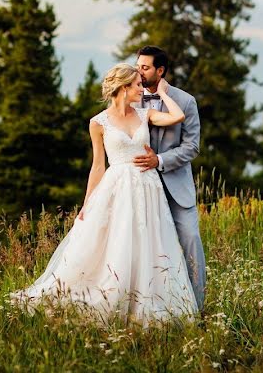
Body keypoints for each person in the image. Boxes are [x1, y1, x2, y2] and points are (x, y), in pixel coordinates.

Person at [10, 63, 198, 323]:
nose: (141, 89)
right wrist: (88, 203)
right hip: (118, 186)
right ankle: (113, 295)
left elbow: (177, 116)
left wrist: (164, 92)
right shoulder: (98, 123)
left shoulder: (146, 114)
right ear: (122, 88)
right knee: (116, 241)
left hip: (147, 188)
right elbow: (98, 165)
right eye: (136, 85)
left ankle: (145, 301)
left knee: (150, 242)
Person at [132, 45, 206, 310]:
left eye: (144, 67)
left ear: (160, 70)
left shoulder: (185, 101)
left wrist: (160, 160)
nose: (138, 71)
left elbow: (192, 147)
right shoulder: (130, 98)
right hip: (139, 185)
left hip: (176, 187)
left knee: (190, 241)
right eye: (137, 65)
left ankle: (197, 310)